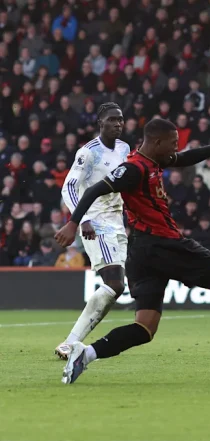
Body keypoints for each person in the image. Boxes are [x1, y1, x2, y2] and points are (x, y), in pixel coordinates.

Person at [55, 118, 210, 384]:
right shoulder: (133, 169)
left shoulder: (153, 160)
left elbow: (186, 158)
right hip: (166, 244)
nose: (176, 148)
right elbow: (94, 190)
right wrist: (73, 223)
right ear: (157, 142)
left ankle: (86, 355)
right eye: (173, 143)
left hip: (141, 252)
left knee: (145, 328)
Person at [55, 102, 131, 360]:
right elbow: (69, 187)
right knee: (114, 283)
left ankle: (70, 343)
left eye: (120, 119)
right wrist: (82, 219)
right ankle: (70, 343)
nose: (118, 123)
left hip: (117, 222)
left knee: (116, 287)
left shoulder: (124, 149)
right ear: (101, 123)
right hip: (95, 223)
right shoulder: (88, 152)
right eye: (112, 119)